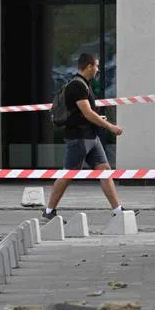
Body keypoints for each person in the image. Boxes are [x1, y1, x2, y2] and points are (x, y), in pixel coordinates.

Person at [42, 53, 135, 222]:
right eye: (96, 66)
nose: (98, 69)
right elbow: (88, 113)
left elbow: (86, 114)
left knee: (104, 170)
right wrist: (110, 127)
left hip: (91, 136)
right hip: (79, 138)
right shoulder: (77, 86)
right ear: (89, 66)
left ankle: (118, 210)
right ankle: (49, 211)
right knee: (68, 174)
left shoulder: (84, 84)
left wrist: (99, 120)